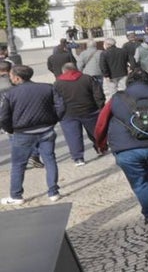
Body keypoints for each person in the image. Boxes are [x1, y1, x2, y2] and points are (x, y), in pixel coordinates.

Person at [94, 68, 148, 223]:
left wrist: (101, 144)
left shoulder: (117, 98)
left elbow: (101, 123)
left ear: (129, 81)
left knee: (140, 182)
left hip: (125, 148)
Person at [0, 65, 66, 205]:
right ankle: (53, 192)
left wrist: (9, 129)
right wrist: (54, 120)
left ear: (17, 78)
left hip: (22, 132)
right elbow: (61, 106)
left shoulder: (10, 94)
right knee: (50, 159)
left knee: (18, 164)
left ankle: (16, 195)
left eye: (11, 76)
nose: (10, 78)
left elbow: (4, 117)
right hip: (46, 130)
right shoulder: (47, 87)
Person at [53, 62, 105, 166]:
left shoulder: (58, 82)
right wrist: (100, 106)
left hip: (68, 113)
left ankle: (78, 158)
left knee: (73, 136)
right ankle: (100, 148)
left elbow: (57, 100)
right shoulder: (87, 78)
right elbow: (98, 94)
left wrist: (58, 114)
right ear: (76, 69)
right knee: (95, 131)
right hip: (89, 110)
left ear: (63, 71)